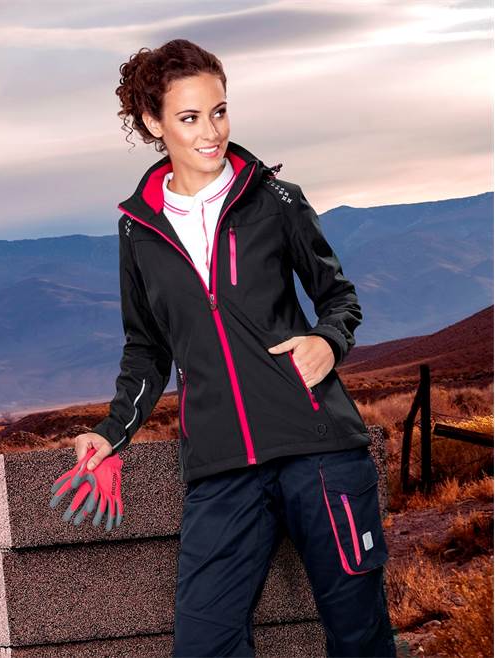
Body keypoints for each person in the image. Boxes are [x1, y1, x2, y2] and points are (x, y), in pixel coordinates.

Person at [74, 38, 397, 658]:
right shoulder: (138, 229)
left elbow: (339, 297)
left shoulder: (276, 200)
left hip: (318, 448)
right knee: (204, 642)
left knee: (360, 637)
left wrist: (327, 342)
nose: (211, 132)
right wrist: (111, 432)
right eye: (190, 117)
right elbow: (146, 348)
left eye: (219, 111)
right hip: (221, 467)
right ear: (154, 123)